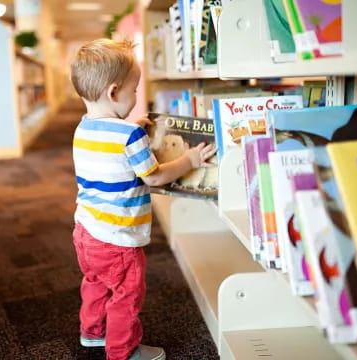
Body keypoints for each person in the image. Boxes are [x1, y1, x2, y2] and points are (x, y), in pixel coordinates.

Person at [70, 38, 216, 360]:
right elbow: (153, 176)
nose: (136, 97)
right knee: (126, 293)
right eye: (133, 90)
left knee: (94, 281)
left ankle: (92, 332)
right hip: (118, 237)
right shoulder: (130, 136)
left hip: (86, 230)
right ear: (113, 92)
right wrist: (189, 161)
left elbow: (112, 150)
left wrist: (131, 127)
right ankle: (123, 351)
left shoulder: (83, 129)